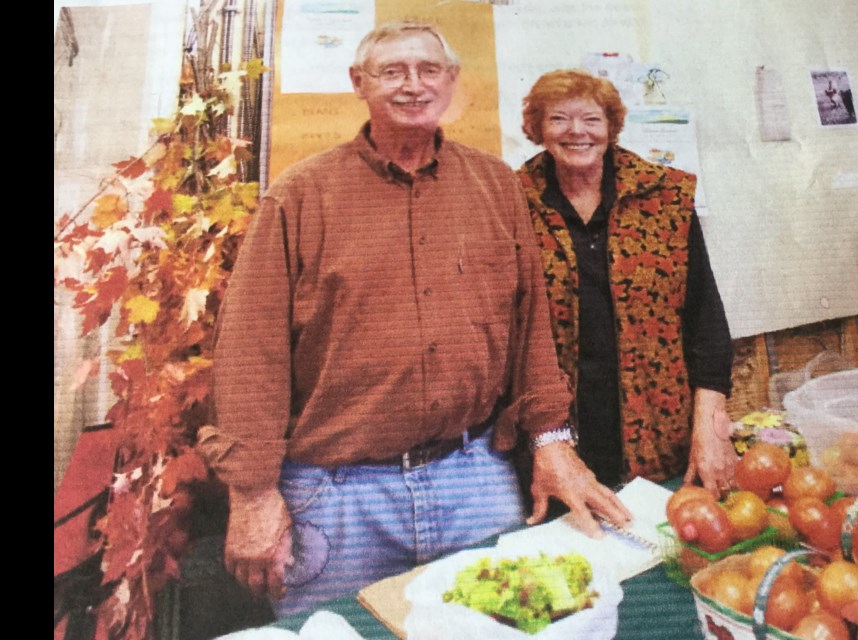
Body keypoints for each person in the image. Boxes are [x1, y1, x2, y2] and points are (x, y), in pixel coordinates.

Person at [199, 25, 630, 617]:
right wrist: (251, 493)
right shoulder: (299, 196)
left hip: (474, 477)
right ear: (359, 84)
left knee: (505, 629)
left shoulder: (495, 185)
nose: (413, 85)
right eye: (393, 71)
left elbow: (530, 324)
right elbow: (252, 352)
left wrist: (552, 439)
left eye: (429, 70)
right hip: (337, 495)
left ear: (450, 82)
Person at [516, 69, 737, 496]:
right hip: (554, 439)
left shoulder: (665, 197)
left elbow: (705, 319)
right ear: (538, 129)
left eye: (592, 120)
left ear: (612, 127)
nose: (577, 131)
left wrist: (712, 428)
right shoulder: (512, 201)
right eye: (559, 119)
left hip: (660, 428)